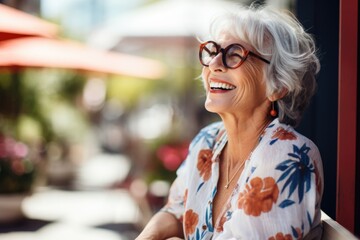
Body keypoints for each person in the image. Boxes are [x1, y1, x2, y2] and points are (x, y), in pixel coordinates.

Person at [136, 4, 323, 240]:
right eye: (212, 51)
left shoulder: (290, 156)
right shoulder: (207, 141)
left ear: (277, 86)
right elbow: (176, 211)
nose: (214, 64)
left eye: (235, 54)